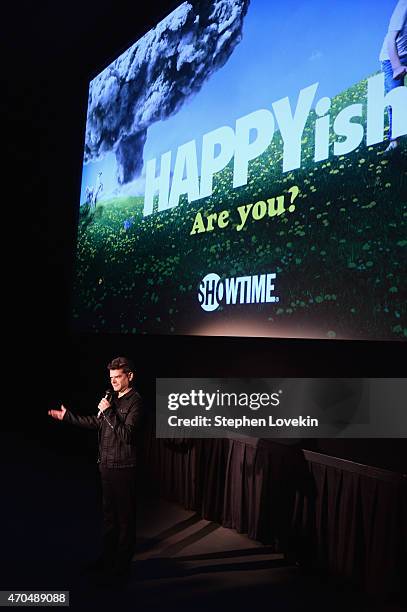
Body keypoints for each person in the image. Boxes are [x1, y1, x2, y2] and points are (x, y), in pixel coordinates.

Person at [48, 356, 144, 582]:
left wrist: (109, 411)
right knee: (109, 519)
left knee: (125, 520)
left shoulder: (136, 403)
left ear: (130, 376)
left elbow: (127, 436)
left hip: (124, 468)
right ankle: (107, 560)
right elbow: (96, 422)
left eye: (118, 377)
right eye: (111, 378)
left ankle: (122, 569)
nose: (114, 382)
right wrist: (68, 417)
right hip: (107, 467)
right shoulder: (111, 397)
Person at [379, 0, 407, 152]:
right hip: (391, 58)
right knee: (395, 97)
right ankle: (394, 141)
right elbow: (391, 40)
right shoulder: (404, 6)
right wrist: (397, 66)